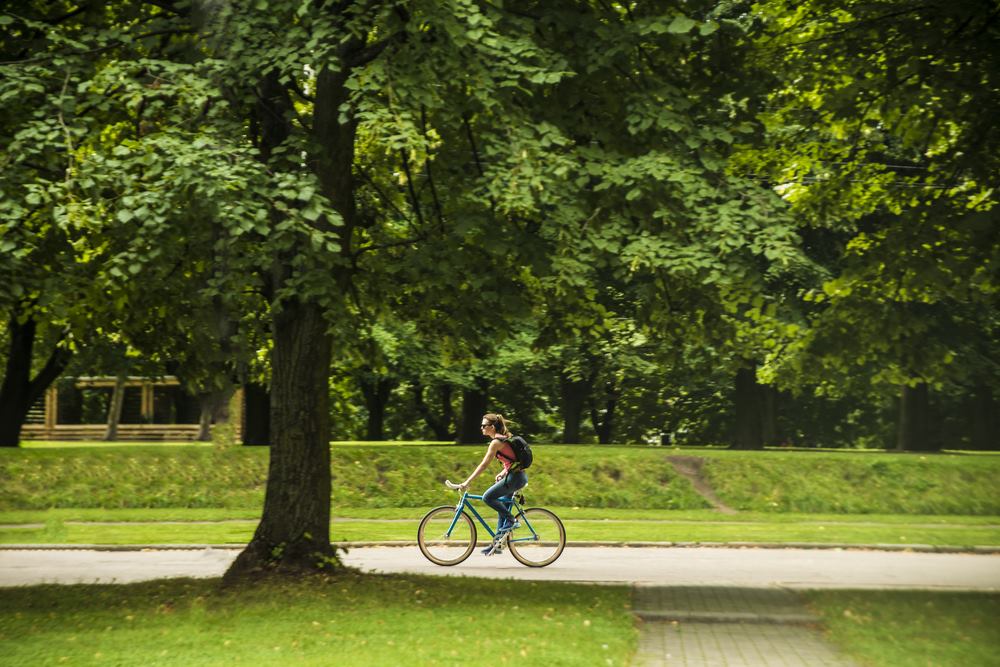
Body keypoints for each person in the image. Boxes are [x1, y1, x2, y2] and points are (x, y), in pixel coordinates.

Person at [457, 413, 528, 556]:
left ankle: (512, 520)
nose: (481, 428)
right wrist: (504, 471)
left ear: (492, 427)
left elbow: (484, 465)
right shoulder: (502, 439)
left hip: (515, 478)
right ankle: (497, 544)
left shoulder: (496, 442)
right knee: (501, 507)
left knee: (488, 497)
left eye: (484, 425)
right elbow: (512, 460)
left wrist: (467, 482)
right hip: (515, 476)